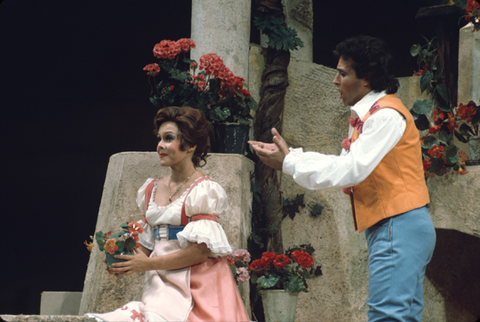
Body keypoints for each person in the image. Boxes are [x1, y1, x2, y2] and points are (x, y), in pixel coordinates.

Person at [249, 35, 436, 322]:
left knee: (388, 316)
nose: (335, 80)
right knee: (402, 316)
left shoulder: (385, 116)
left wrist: (288, 163)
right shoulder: (371, 116)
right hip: (396, 225)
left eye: (343, 73)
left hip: (398, 224)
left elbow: (350, 170)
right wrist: (292, 157)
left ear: (367, 78)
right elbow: (343, 163)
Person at [87, 106, 249, 322]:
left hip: (197, 283)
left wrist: (148, 264)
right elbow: (147, 244)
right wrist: (118, 253)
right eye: (160, 138)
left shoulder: (203, 191)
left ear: (191, 145)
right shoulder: (151, 189)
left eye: (169, 138)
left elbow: (200, 253)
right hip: (162, 280)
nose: (160, 145)